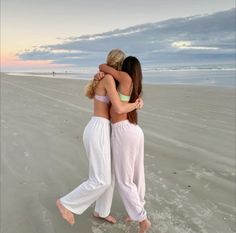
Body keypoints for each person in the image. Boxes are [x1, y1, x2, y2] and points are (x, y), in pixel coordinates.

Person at [56, 49, 143, 226]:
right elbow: (118, 108)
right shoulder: (109, 78)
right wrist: (136, 104)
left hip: (102, 128)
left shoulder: (107, 77)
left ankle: (101, 211)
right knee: (101, 180)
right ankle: (66, 204)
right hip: (99, 129)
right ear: (119, 64)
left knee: (108, 176)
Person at [99, 56, 151, 233]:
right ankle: (136, 209)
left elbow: (102, 66)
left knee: (124, 180)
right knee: (137, 174)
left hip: (123, 131)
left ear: (126, 67)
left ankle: (142, 218)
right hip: (134, 130)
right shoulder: (135, 84)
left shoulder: (124, 77)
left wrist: (108, 70)